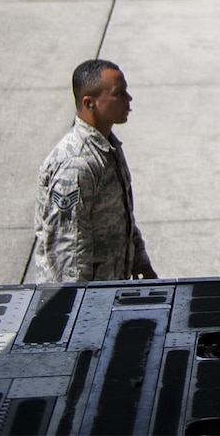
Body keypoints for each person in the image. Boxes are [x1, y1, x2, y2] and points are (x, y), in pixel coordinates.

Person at [33, 59, 157, 282]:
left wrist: (139, 260)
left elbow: (119, 216)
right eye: (119, 94)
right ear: (90, 103)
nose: (129, 100)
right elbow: (67, 253)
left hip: (107, 292)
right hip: (83, 303)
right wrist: (80, 308)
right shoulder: (76, 164)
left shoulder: (106, 147)